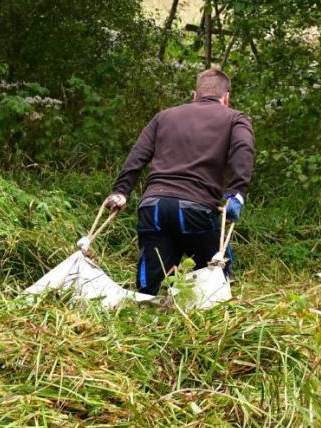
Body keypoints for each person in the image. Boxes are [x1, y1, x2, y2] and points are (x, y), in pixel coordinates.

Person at [103, 67, 254, 296]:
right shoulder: (235, 118)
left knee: (148, 288)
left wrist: (121, 191)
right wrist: (236, 193)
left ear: (194, 95)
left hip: (153, 208)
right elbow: (243, 150)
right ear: (226, 98)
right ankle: (205, 322)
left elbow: (137, 155)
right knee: (215, 275)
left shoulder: (164, 116)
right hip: (196, 210)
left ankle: (146, 316)